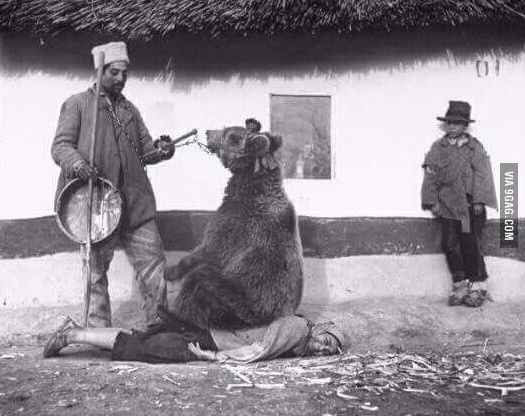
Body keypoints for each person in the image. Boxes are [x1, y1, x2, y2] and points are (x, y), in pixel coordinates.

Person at [51, 42, 175, 327]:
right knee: (95, 272)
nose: (121, 79)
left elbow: (145, 150)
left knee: (154, 263)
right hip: (96, 203)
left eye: (125, 74)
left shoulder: (130, 110)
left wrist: (163, 149)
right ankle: (97, 332)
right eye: (114, 72)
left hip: (134, 204)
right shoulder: (79, 104)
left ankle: (159, 326)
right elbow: (59, 147)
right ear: (100, 71)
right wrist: (78, 164)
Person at [421, 101, 497, 307]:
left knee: (470, 243)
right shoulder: (439, 148)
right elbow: (430, 176)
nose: (452, 127)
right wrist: (431, 201)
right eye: (449, 123)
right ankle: (460, 283)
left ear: (465, 126)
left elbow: (483, 175)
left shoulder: (475, 147)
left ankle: (476, 287)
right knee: (450, 244)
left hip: (471, 207)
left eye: (457, 124)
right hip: (448, 206)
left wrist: (480, 200)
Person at [43, 314, 348, 363]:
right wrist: (212, 357)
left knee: (142, 343)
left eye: (328, 353)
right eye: (327, 342)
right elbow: (260, 350)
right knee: (141, 346)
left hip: (212, 337)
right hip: (209, 340)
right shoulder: (298, 328)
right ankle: (72, 334)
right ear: (321, 330)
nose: (322, 350)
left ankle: (77, 333)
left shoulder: (300, 343)